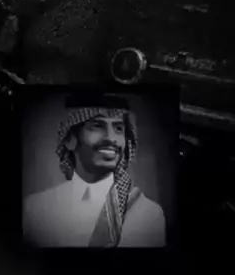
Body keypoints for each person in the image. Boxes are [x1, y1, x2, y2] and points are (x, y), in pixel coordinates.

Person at [23, 94, 166, 248]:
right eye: (97, 126)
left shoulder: (148, 214)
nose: (111, 138)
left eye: (118, 128)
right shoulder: (35, 209)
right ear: (70, 140)